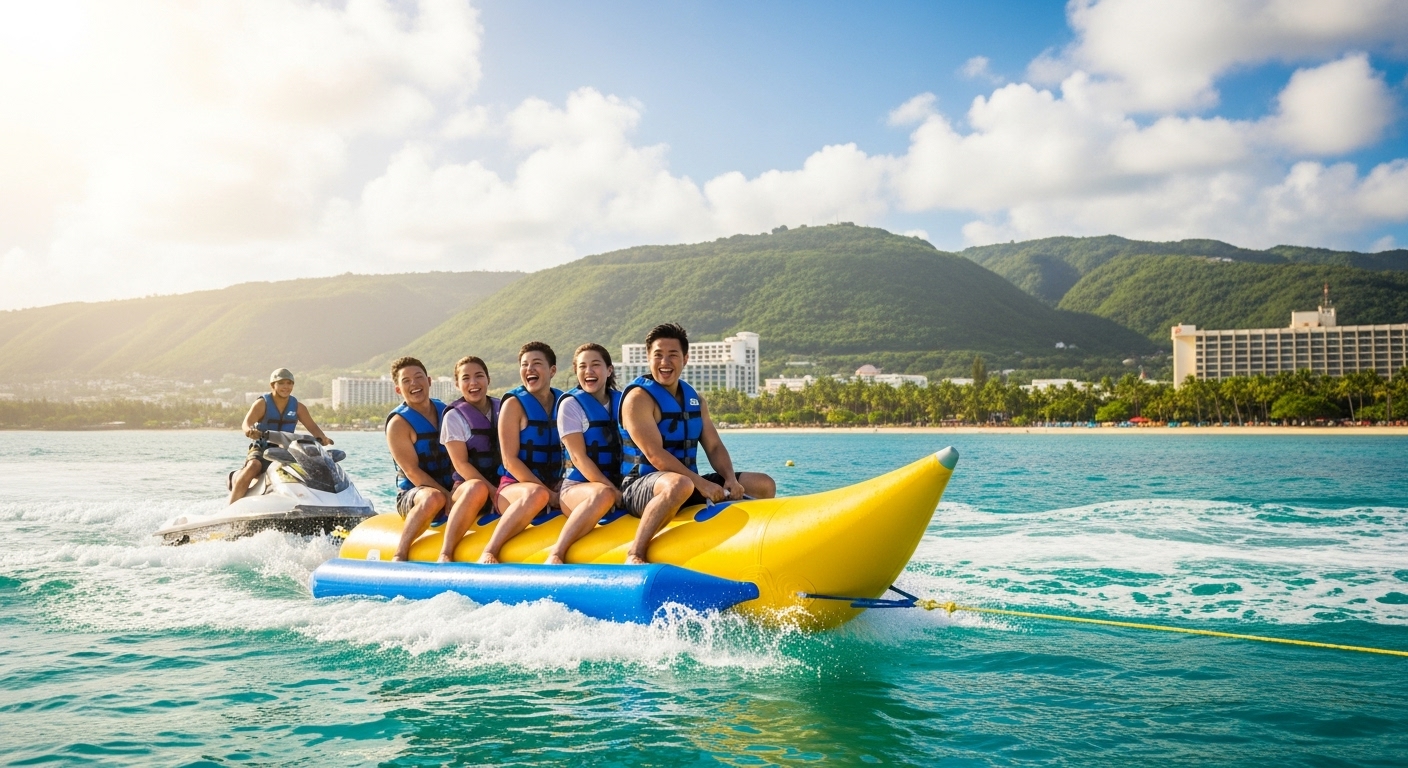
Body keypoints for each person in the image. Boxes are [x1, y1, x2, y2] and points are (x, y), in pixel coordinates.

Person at [618, 323, 776, 564]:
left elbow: (713, 447)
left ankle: (756, 546)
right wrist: (700, 484)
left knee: (764, 484)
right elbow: (655, 455)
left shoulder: (695, 400)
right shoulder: (638, 399)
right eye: (658, 355)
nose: (665, 362)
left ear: (686, 358)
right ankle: (635, 553)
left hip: (686, 483)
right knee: (679, 484)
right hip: (641, 486)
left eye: (673, 355)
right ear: (648, 358)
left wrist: (731, 480)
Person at [477, 342, 564, 564]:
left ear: (552, 370)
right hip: (513, 489)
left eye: (537, 364)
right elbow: (509, 460)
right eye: (525, 365)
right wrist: (548, 493)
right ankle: (490, 549)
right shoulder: (514, 404)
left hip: (554, 484)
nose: (529, 369)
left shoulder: (563, 402)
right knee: (536, 494)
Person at [545, 343, 623, 564]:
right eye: (582, 366)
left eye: (595, 365)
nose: (588, 371)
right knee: (603, 494)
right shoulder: (571, 405)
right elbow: (578, 458)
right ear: (576, 371)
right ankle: (557, 553)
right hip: (577, 489)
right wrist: (613, 491)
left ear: (609, 370)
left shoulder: (623, 401)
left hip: (620, 483)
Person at [228, 368, 332, 505]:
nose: (286, 387)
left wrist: (323, 438)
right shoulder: (262, 403)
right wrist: (249, 430)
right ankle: (231, 506)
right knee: (254, 466)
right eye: (281, 383)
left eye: (289, 383)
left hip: (287, 450)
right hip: (262, 447)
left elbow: (313, 428)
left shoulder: (298, 407)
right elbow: (246, 423)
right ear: (273, 385)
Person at [385, 356, 454, 561]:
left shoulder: (447, 412)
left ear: (429, 381)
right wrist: (448, 497)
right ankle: (400, 553)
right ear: (398, 389)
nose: (414, 384)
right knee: (434, 498)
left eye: (418, 377)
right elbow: (412, 472)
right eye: (406, 381)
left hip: (452, 489)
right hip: (414, 495)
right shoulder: (398, 424)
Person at [436, 356, 501, 562]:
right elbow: (460, 464)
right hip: (466, 489)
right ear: (457, 384)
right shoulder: (453, 417)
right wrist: (492, 492)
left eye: (479, 376)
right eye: (466, 378)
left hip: (503, 486)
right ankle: (446, 552)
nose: (473, 383)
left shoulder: (504, 408)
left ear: (488, 379)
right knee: (476, 488)